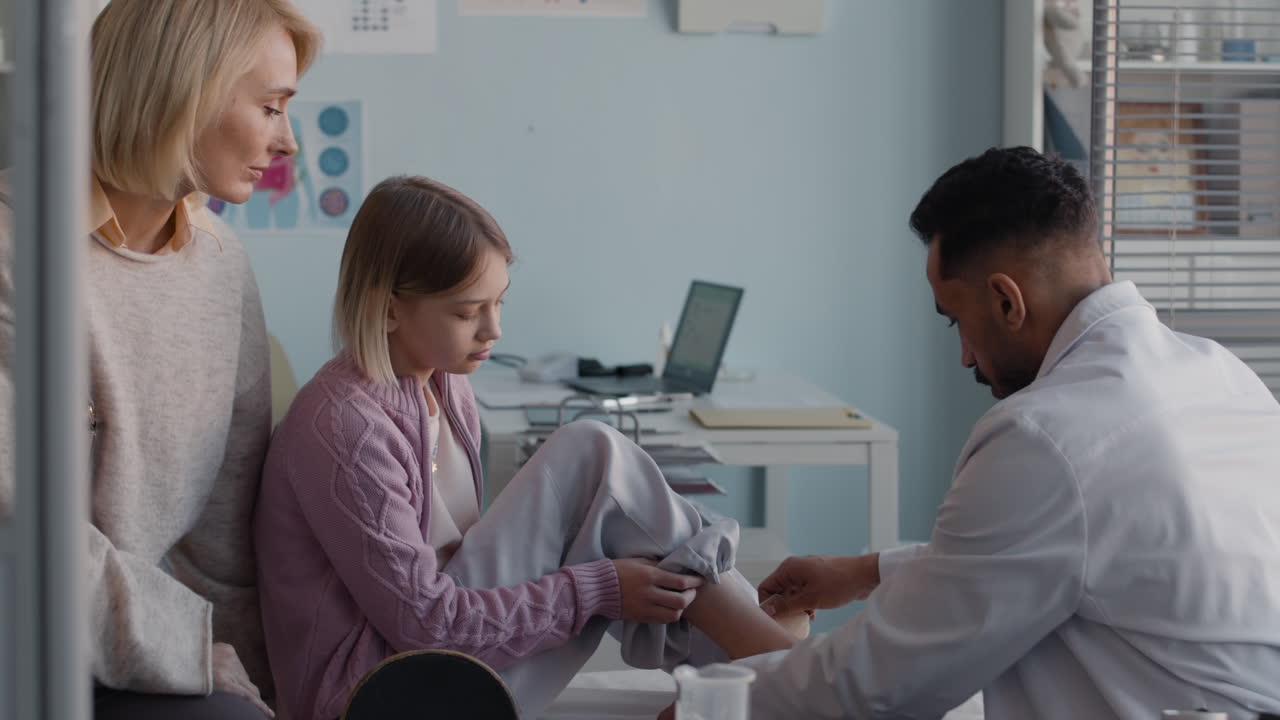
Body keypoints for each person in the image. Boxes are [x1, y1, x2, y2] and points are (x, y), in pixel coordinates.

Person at [738, 147, 1280, 719]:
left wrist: (708, 702)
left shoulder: (1044, 436)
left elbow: (879, 685)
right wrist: (863, 571)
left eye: (956, 321)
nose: (966, 356)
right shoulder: (1219, 372)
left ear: (1006, 300)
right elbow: (1085, 548)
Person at [254, 175, 807, 720]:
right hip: (382, 693)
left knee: (597, 490)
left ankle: (748, 666)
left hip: (436, 660)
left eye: (499, 303)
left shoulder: (444, 385)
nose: (493, 330)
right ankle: (776, 666)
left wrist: (600, 580)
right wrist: (595, 592)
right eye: (468, 312)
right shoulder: (346, 427)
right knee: (589, 455)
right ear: (389, 309)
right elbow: (427, 623)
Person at [0, 1, 321, 718]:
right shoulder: (14, 251)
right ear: (180, 92)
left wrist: (270, 692)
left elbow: (225, 545)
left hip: (130, 643)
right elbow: (18, 526)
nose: (289, 142)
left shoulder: (221, 268)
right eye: (270, 107)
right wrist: (182, 646)